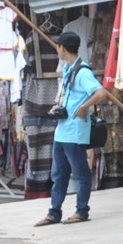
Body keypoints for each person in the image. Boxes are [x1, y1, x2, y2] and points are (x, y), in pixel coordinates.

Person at [35, 31, 109, 226]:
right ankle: (54, 212)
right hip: (62, 131)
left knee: (81, 173)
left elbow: (101, 93)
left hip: (75, 132)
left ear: (62, 48)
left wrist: (84, 107)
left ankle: (82, 211)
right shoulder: (69, 69)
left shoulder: (83, 72)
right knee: (59, 174)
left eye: (58, 46)